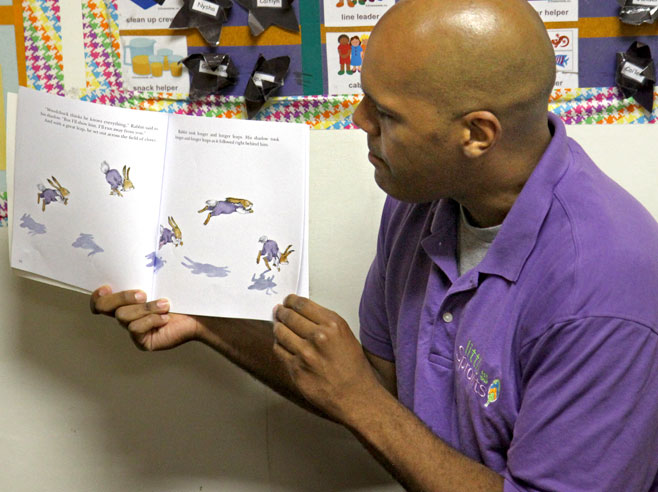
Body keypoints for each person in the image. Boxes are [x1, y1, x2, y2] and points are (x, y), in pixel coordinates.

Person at [91, 0, 658, 490]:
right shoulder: (421, 196)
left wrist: (359, 400)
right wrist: (208, 321)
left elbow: (366, 399)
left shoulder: (605, 293)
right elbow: (379, 386)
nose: (358, 120)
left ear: (477, 135)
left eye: (385, 113)